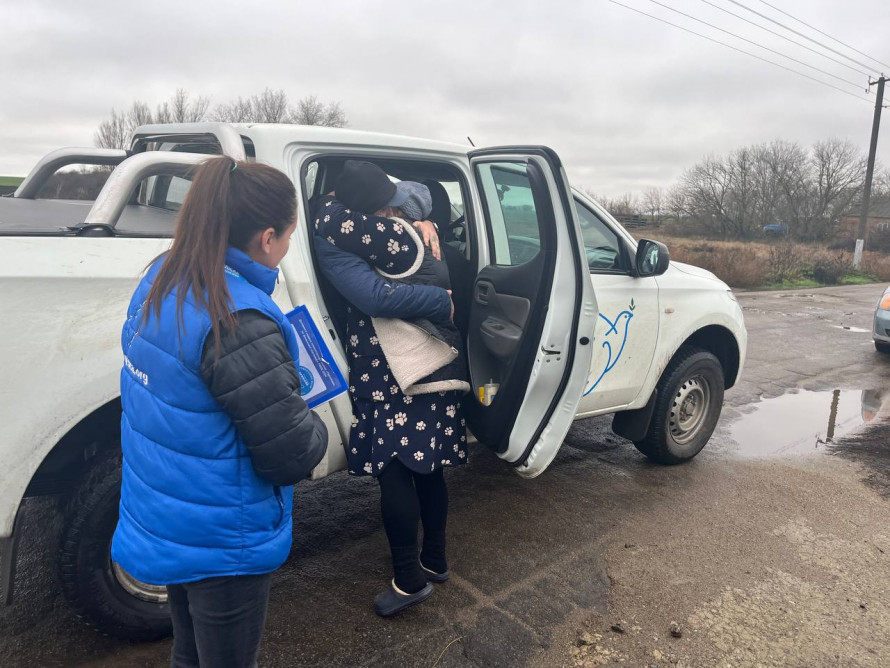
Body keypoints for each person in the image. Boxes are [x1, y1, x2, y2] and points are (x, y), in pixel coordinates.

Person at [112, 156, 328, 668]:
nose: (288, 247)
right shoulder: (239, 318)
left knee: (189, 651)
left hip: (172, 513)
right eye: (291, 235)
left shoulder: (164, 278)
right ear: (267, 237)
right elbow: (293, 455)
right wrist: (310, 416)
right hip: (222, 538)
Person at [311, 160, 469, 617]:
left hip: (392, 367)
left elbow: (374, 298)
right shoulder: (419, 229)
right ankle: (434, 560)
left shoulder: (345, 232)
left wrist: (322, 208)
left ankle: (408, 579)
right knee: (430, 467)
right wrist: (445, 301)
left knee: (396, 471)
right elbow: (418, 195)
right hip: (438, 357)